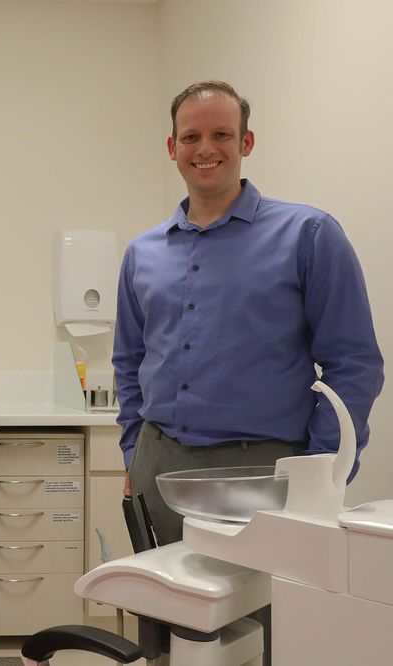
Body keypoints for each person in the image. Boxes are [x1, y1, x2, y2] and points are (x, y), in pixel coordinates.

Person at [113, 82, 384, 663]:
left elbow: (354, 362)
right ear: (172, 147)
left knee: (269, 630)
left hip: (267, 473)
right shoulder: (142, 253)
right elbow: (129, 363)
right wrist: (134, 451)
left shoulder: (308, 235)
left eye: (220, 134)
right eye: (191, 136)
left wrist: (322, 472)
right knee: (177, 624)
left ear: (246, 141)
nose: (204, 148)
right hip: (163, 467)